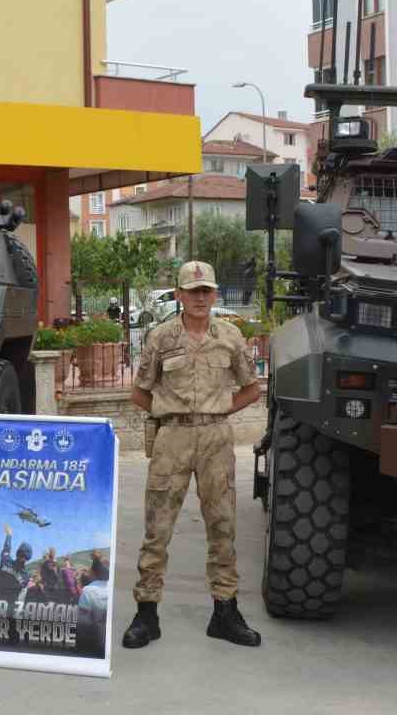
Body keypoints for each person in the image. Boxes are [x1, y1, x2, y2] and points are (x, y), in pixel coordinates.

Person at [123, 260, 265, 649]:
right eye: (193, 291)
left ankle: (225, 611)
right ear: (180, 295)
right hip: (172, 438)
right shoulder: (161, 337)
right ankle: (146, 613)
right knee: (158, 526)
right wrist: (167, 414)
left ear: (215, 295)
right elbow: (140, 390)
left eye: (207, 291)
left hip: (216, 438)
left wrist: (219, 410)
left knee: (222, 525)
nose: (201, 298)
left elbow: (252, 388)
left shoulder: (231, 337)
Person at [76, 554, 110, 655]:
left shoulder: (88, 591)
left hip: (94, 644)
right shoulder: (110, 587)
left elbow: (83, 623)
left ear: (93, 573)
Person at [0, 526, 34, 605]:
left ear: (17, 553)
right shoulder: (25, 576)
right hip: (9, 610)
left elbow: (6, 548)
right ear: (28, 558)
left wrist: (9, 535)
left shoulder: (5, 560)